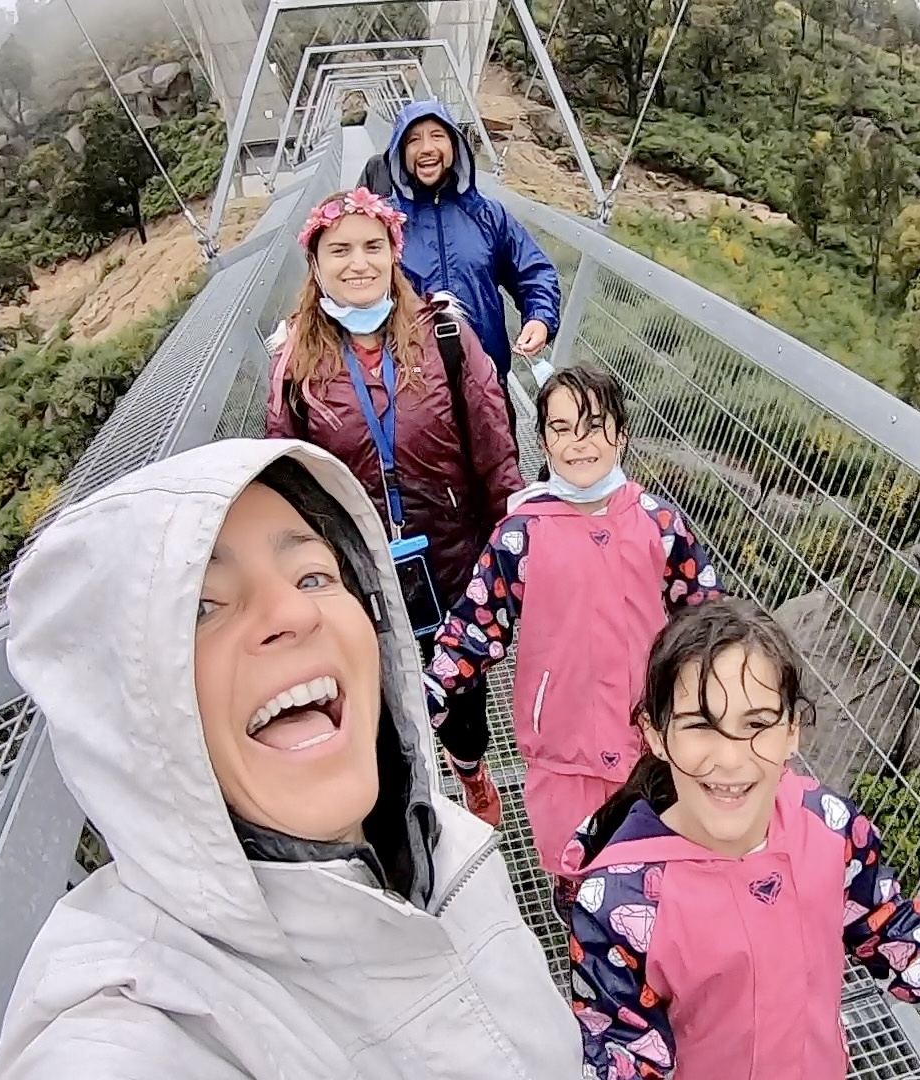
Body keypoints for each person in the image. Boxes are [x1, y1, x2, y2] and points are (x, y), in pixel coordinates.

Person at [0, 438, 581, 1078]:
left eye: (315, 576)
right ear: (123, 717)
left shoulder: (444, 845)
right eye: (203, 607)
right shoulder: (135, 1026)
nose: (294, 612)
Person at [562, 598, 920, 1079]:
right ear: (656, 735)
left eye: (757, 724)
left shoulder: (830, 826)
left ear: (792, 730)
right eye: (700, 726)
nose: (731, 759)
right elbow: (622, 1049)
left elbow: (880, 921)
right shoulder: (620, 901)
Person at [265, 186, 520, 824]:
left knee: (462, 685)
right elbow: (286, 475)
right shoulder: (295, 362)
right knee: (371, 689)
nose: (359, 263)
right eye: (340, 250)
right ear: (315, 263)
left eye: (372, 247)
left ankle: (469, 767)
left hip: (453, 554)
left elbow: (494, 444)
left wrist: (516, 545)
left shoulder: (444, 334)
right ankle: (398, 808)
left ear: (393, 253)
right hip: (360, 567)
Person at [426, 363, 721, 914]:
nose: (578, 442)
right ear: (543, 441)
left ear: (621, 434)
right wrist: (429, 694)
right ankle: (584, 949)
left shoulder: (658, 525)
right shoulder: (522, 536)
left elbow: (707, 620)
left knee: (656, 883)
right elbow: (474, 628)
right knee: (578, 883)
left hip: (654, 749)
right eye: (561, 428)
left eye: (594, 425)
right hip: (563, 752)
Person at [365, 100, 561, 392]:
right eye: (413, 140)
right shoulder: (383, 222)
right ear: (399, 154)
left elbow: (534, 272)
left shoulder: (488, 215)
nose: (427, 148)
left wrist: (540, 318)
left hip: (486, 381)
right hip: (413, 388)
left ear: (455, 146)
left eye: (437, 136)